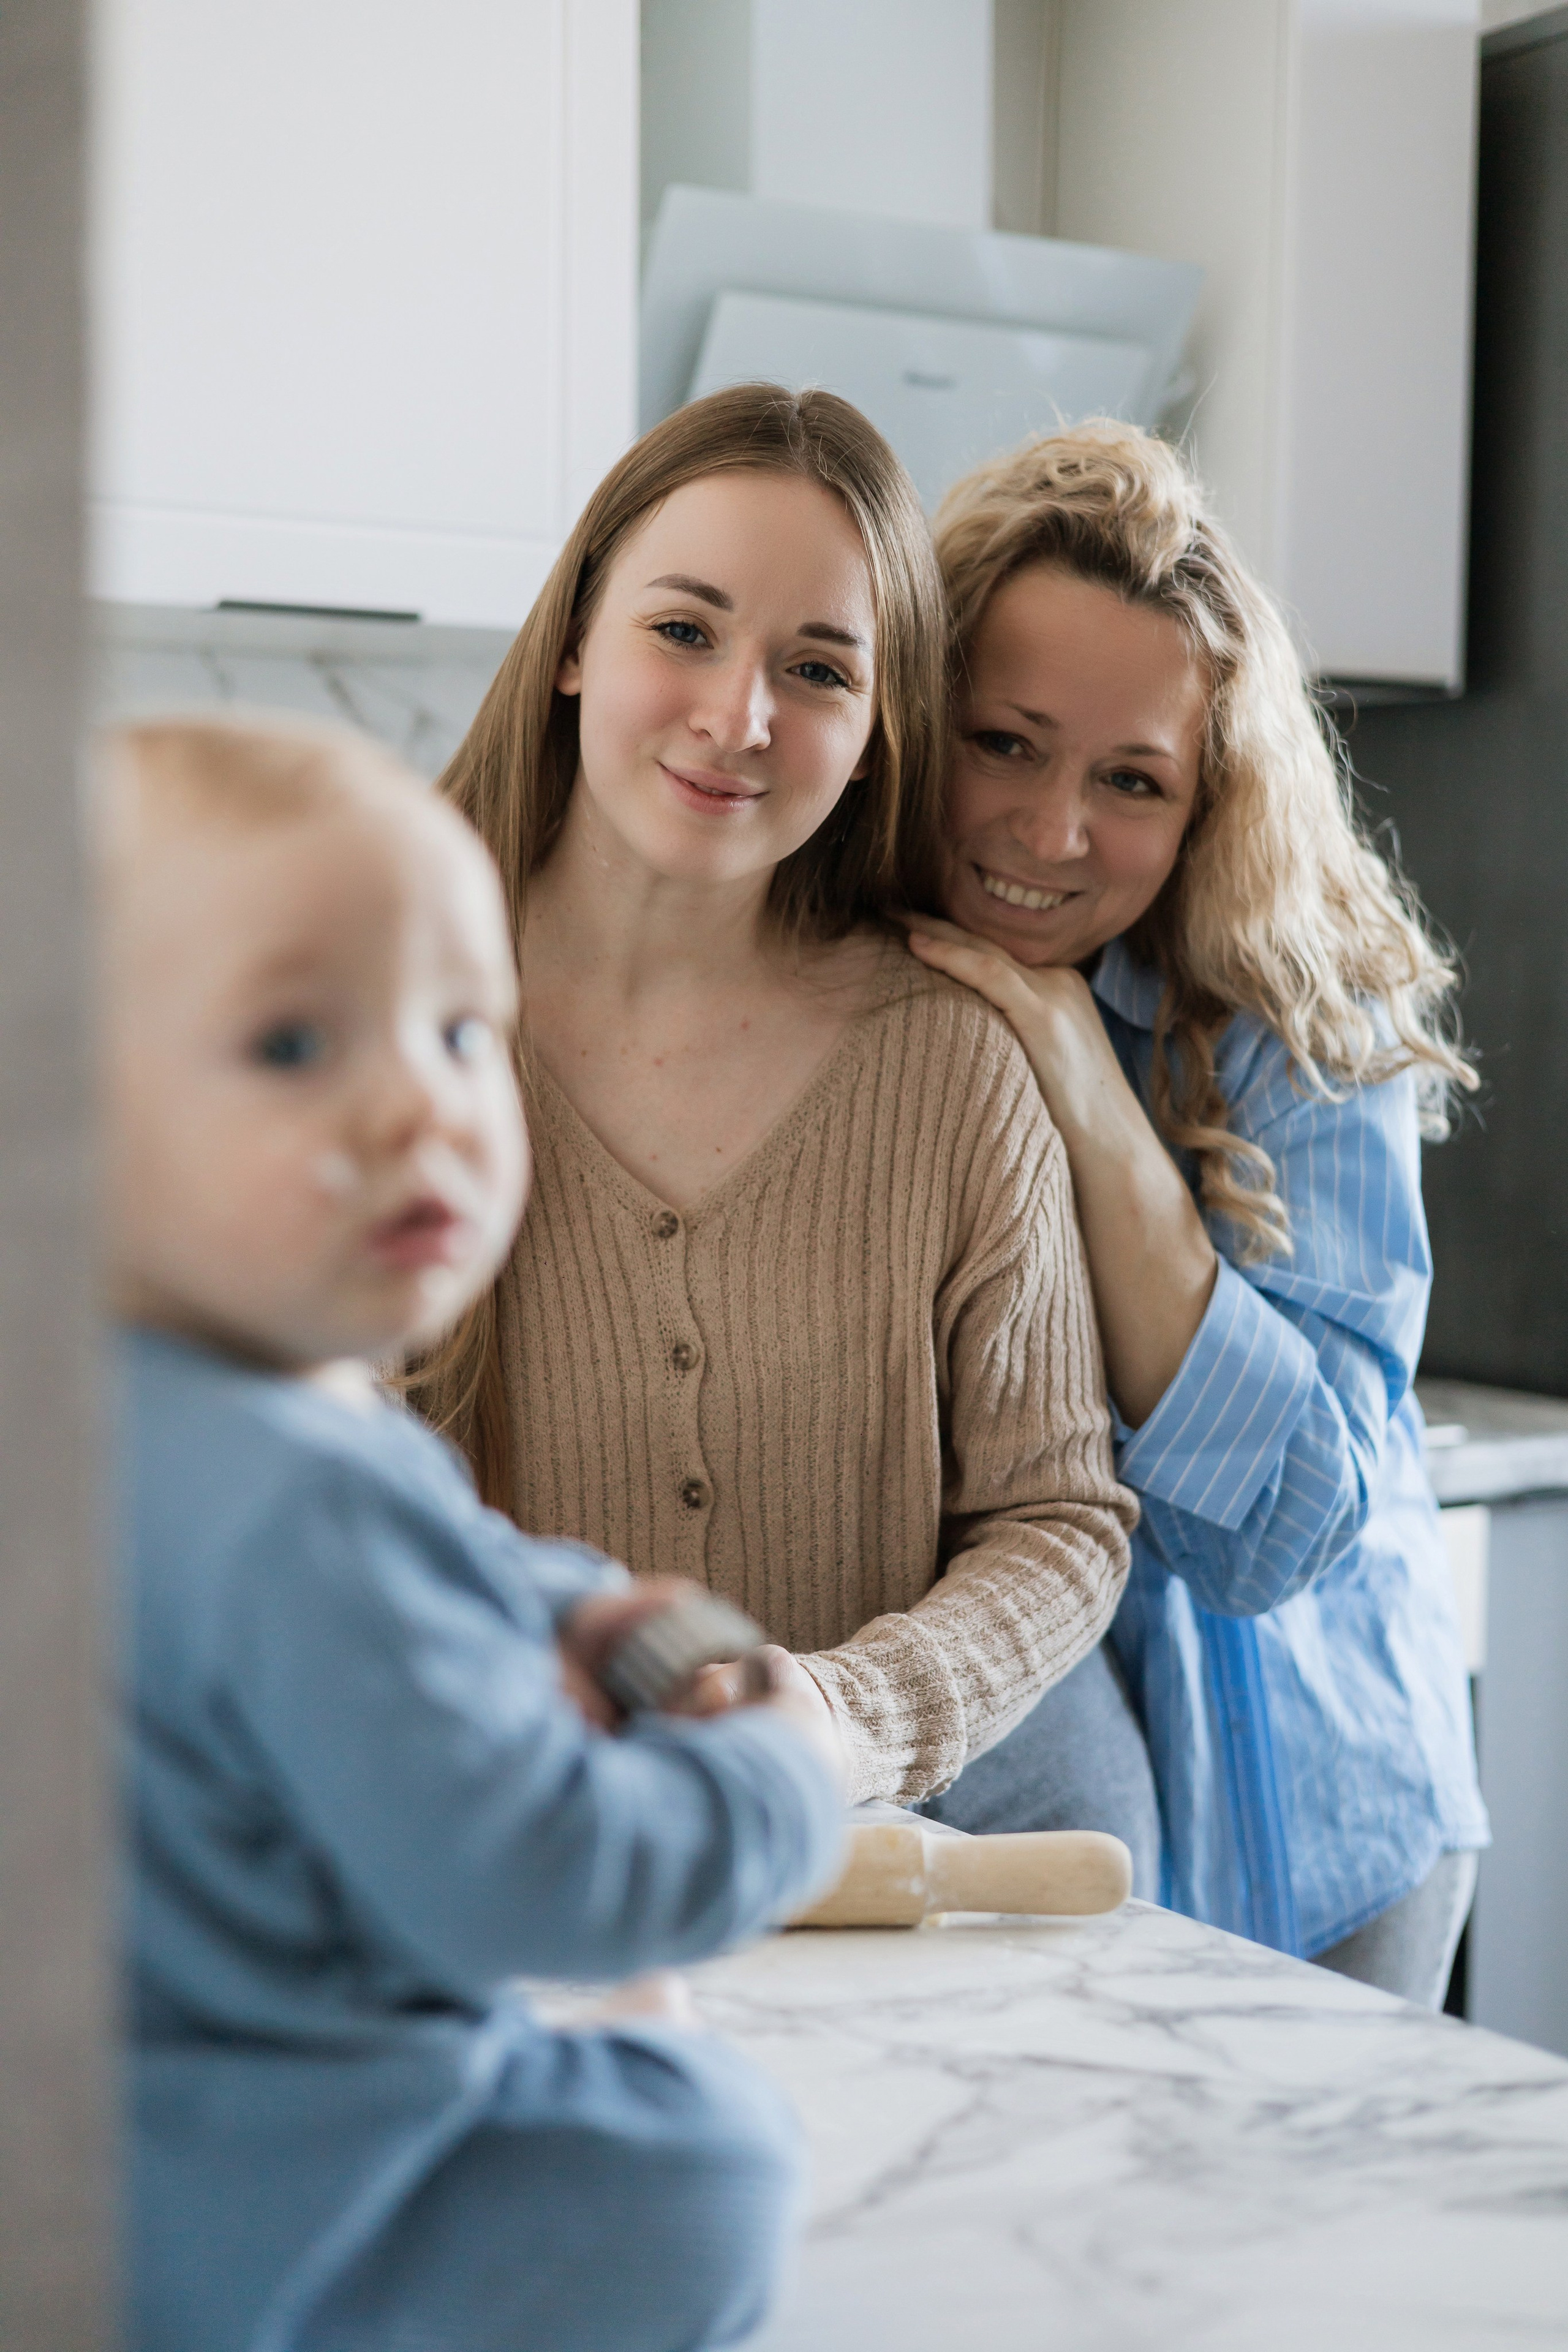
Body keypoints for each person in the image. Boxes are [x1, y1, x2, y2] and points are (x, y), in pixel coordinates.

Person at [104, 712, 845, 2352]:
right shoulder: (306, 1492)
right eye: (294, 1044)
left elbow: (435, 1571)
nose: (420, 1108)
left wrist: (566, 1606)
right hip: (257, 2229)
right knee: (704, 2159)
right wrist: (783, 1781)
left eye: (459, 1029)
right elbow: (540, 1884)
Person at [412, 383, 1138, 1819]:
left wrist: (847, 1721)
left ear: (876, 732)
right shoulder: (387, 1027)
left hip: (867, 1887)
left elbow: (1058, 1522)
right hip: (493, 1859)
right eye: (682, 630)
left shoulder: (950, 1067)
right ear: (574, 641)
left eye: (816, 670)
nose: (736, 718)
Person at [905, 423, 1488, 2006]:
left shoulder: (1305, 1013)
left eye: (1131, 781)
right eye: (1004, 742)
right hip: (1016, 1814)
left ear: (1207, 797)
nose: (1052, 832)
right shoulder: (837, 973)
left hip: (1320, 1826)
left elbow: (1285, 1526)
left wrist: (1088, 1090)